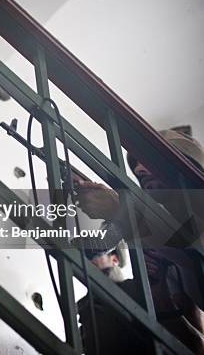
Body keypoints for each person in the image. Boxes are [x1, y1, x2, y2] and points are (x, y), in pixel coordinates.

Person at [76, 127, 204, 353]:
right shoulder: (161, 233)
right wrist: (158, 291)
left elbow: (192, 255)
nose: (138, 169)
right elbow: (194, 341)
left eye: (148, 158)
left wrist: (122, 211)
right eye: (136, 164)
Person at [78, 243, 157, 354]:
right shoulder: (85, 307)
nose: (87, 261)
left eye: (92, 255)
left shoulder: (136, 289)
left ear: (115, 259)